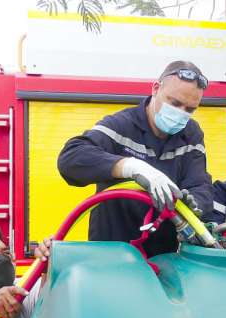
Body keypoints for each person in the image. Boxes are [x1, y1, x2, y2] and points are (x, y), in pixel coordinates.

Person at [57, 61, 213, 257]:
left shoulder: (191, 134)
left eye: (189, 109)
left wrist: (194, 203)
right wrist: (130, 166)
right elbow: (70, 158)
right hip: (112, 256)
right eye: (174, 103)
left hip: (164, 260)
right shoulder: (121, 125)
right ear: (156, 89)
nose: (180, 113)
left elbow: (200, 184)